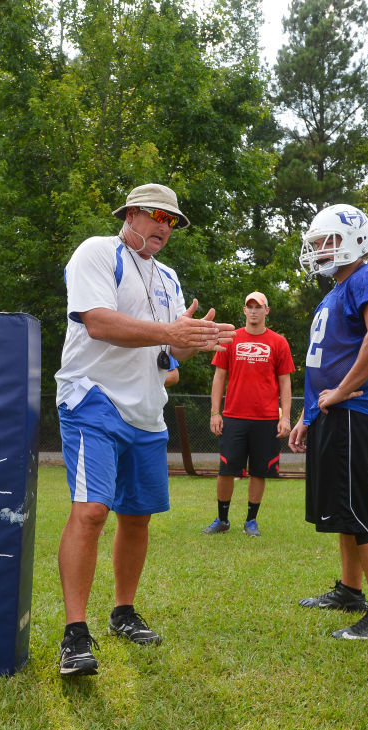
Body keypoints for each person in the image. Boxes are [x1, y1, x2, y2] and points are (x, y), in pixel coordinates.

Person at [54, 183, 235, 676]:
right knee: (92, 511)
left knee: (137, 517)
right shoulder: (97, 251)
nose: (165, 227)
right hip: (92, 398)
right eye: (158, 216)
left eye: (172, 221)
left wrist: (194, 340)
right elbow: (97, 322)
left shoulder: (168, 277)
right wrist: (171, 333)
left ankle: (123, 612)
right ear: (131, 213)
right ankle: (75, 634)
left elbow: (168, 354)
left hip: (147, 410)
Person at [288, 204, 368, 640]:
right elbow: (325, 361)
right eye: (316, 243)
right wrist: (308, 414)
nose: (319, 250)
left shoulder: (367, 278)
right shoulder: (336, 290)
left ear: (355, 240)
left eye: (327, 241)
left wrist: (340, 392)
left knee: (363, 511)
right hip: (334, 414)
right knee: (346, 510)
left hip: (356, 413)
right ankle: (351, 591)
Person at [200, 291, 295, 538]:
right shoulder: (231, 339)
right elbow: (219, 377)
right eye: (249, 307)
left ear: (266, 311)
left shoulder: (278, 342)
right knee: (226, 469)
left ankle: (251, 521)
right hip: (234, 416)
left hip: (266, 419)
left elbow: (285, 382)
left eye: (258, 307)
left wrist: (285, 417)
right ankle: (222, 520)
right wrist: (215, 412)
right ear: (244, 310)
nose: (253, 311)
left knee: (260, 471)